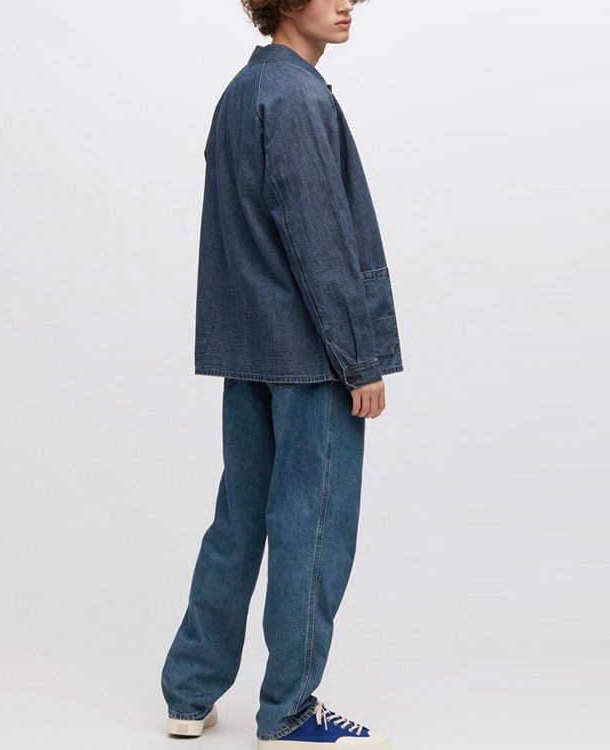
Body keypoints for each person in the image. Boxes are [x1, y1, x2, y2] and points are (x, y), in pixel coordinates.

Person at [160, 1, 403, 747]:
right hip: (310, 356)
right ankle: (290, 711)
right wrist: (360, 360)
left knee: (240, 520)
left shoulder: (242, 91)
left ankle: (189, 693)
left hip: (251, 348)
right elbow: (320, 243)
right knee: (312, 528)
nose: (347, 3)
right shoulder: (296, 96)